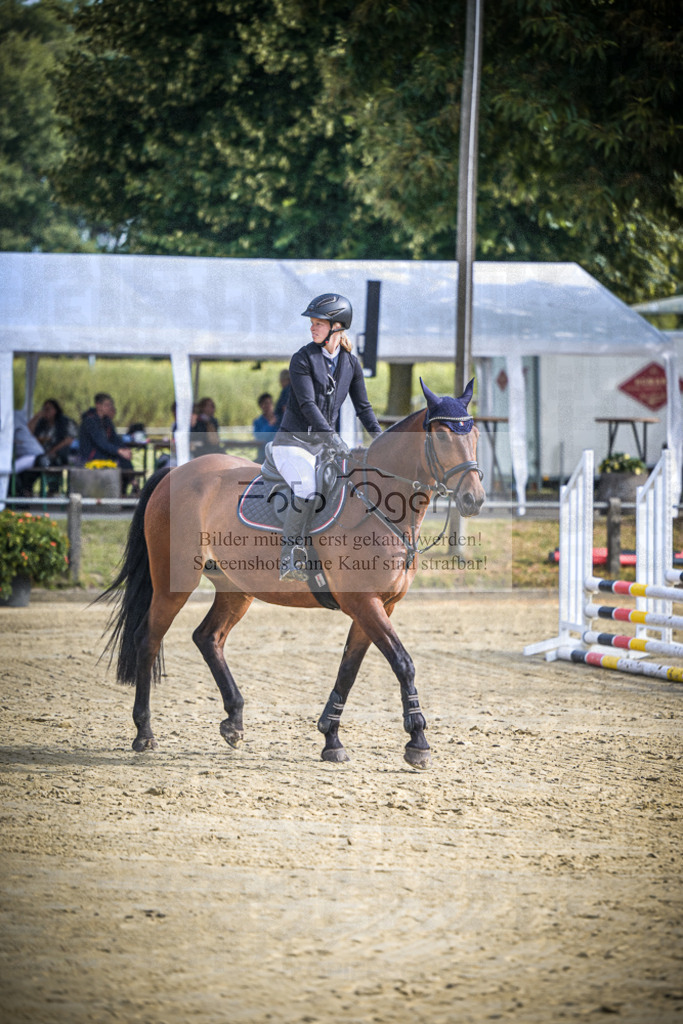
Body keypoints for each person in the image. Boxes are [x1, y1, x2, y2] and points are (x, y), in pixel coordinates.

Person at [272, 292, 382, 582]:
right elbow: (308, 406)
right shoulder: (302, 359)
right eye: (312, 323)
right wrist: (334, 440)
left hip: (323, 450)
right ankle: (290, 556)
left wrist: (382, 439)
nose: (312, 328)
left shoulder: (350, 364)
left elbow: (364, 408)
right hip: (292, 446)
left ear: (337, 327)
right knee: (308, 488)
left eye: (318, 323)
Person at [78, 392, 136, 494]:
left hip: (103, 452)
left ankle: (127, 489)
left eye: (110, 405)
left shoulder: (106, 421)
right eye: (107, 405)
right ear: (98, 406)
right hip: (91, 455)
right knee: (121, 460)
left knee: (124, 459)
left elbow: (115, 439)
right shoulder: (90, 421)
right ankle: (133, 485)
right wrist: (119, 451)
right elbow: (101, 442)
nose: (110, 407)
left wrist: (124, 449)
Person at [29, 399, 78, 493]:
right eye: (44, 409)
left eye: (48, 409)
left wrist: (53, 451)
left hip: (58, 455)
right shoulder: (42, 423)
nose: (45, 411)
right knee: (30, 464)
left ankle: (53, 490)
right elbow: (28, 433)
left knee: (46, 461)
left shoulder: (65, 422)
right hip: (40, 453)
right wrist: (36, 417)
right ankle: (25, 492)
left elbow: (69, 439)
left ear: (55, 410)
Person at [12, 410, 47, 497]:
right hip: (34, 455)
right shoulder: (17, 420)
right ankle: (21, 494)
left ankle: (20, 496)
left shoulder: (14, 422)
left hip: (34, 456)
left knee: (8, 471)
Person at [252, 392, 278, 463]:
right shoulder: (257, 422)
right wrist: (270, 424)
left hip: (278, 455)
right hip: (263, 456)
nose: (268, 406)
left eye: (270, 403)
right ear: (261, 406)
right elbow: (259, 437)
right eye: (265, 403)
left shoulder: (280, 419)